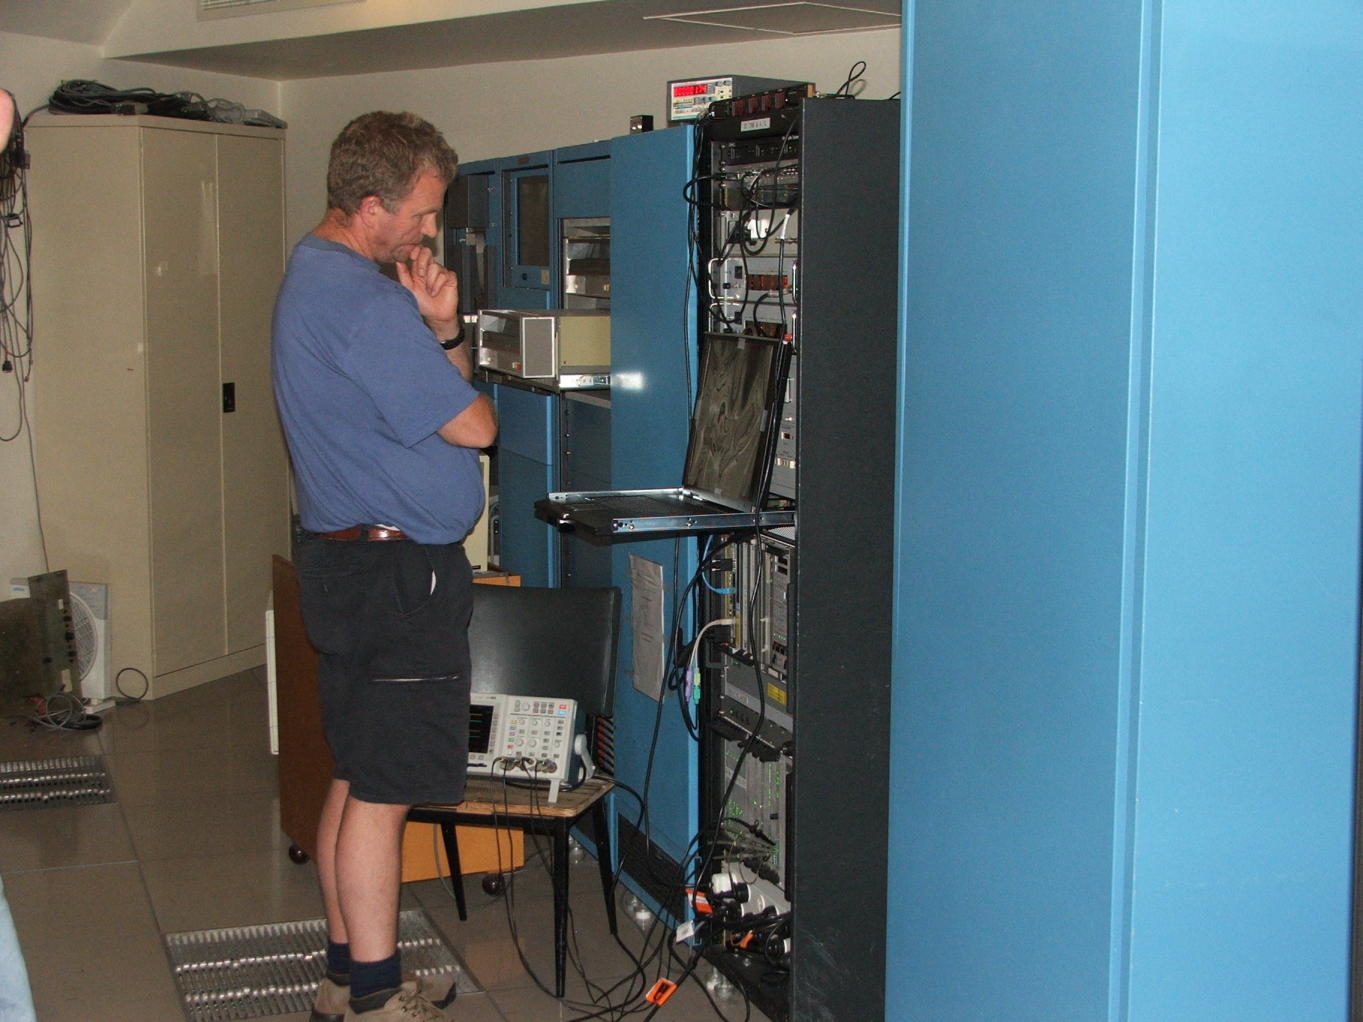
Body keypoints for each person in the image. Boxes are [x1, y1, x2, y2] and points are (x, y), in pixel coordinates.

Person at [271, 111, 496, 1022]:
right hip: (396, 579)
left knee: (356, 772)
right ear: (370, 207)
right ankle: (374, 999)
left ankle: (343, 978)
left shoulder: (313, 274)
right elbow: (475, 424)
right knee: (385, 791)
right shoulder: (364, 306)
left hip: (347, 568)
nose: (428, 232)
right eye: (421, 213)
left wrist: (438, 326)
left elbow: (433, 395)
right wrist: (439, 331)